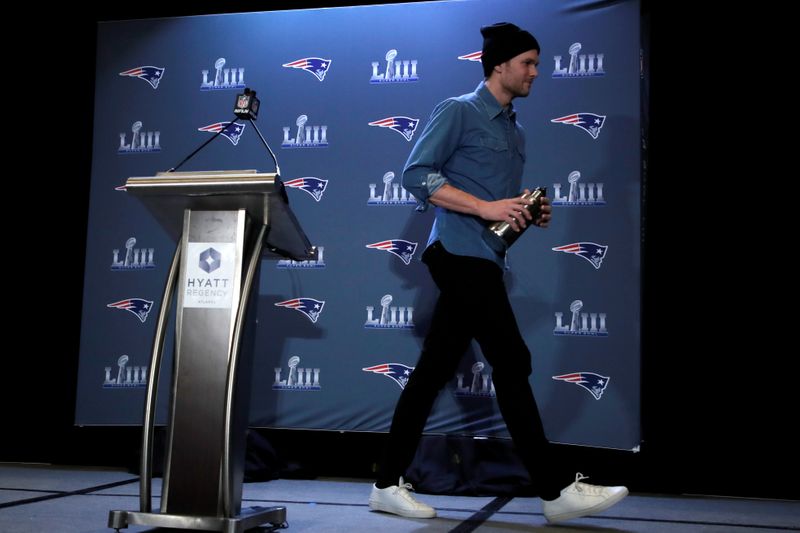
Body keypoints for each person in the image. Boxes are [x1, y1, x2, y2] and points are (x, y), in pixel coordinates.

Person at [367, 22, 628, 524]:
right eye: (528, 63)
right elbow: (416, 174)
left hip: (485, 258)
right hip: (457, 254)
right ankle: (554, 490)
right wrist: (488, 207)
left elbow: (497, 212)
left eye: (536, 63)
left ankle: (385, 483)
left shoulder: (516, 130)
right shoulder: (459, 110)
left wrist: (524, 213)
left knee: (432, 373)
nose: (536, 71)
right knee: (511, 358)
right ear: (499, 64)